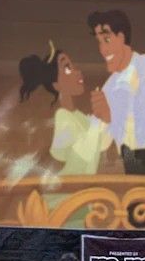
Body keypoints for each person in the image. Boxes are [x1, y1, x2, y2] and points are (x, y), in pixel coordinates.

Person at [87, 10, 145, 178]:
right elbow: (100, 143)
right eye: (99, 42)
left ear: (121, 37)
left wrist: (111, 116)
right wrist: (101, 119)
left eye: (106, 40)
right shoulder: (109, 87)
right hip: (131, 171)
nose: (102, 50)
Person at [18, 42, 111, 177]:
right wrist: (97, 120)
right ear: (56, 85)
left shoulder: (79, 116)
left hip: (84, 189)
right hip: (67, 192)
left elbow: (101, 144)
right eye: (67, 68)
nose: (77, 72)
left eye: (73, 67)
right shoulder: (62, 116)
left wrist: (105, 117)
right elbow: (83, 152)